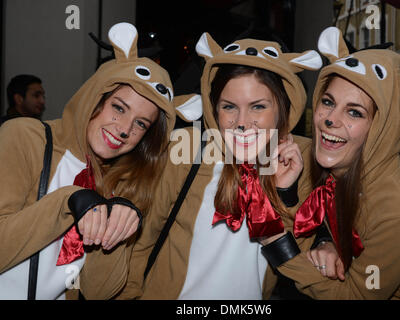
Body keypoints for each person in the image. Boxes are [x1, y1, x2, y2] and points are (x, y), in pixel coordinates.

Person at [115, 32, 332, 300]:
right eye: (229, 107)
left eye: (258, 107)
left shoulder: (302, 160)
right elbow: (141, 241)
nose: (241, 122)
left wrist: (288, 196)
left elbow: (296, 265)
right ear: (213, 108)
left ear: (283, 109)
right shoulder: (188, 150)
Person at [0, 22, 178, 300]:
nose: (123, 129)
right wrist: (68, 202)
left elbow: (97, 292)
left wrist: (117, 235)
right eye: (118, 108)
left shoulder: (122, 185)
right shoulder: (25, 137)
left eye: (140, 124)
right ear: (95, 97)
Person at [288, 27, 400, 299]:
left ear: (384, 127)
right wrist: (323, 240)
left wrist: (281, 250)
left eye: (354, 112)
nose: (330, 119)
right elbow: (255, 140)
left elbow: (356, 296)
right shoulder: (315, 157)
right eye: (328, 102)